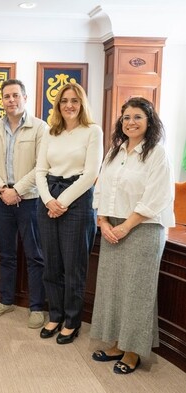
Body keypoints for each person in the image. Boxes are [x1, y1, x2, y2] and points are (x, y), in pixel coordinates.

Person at [89, 97, 174, 374]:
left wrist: (126, 226)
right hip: (112, 226)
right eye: (126, 117)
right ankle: (116, 343)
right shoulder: (115, 151)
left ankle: (133, 351)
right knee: (113, 288)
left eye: (137, 117)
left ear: (149, 122)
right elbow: (100, 188)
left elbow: (157, 195)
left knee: (137, 292)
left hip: (143, 228)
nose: (131, 122)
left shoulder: (157, 153)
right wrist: (102, 221)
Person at [35, 83, 103, 344]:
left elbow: (91, 174)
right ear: (58, 105)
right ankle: (55, 314)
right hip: (49, 198)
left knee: (73, 267)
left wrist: (61, 202)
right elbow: (40, 170)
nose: (69, 105)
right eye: (64, 101)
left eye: (74, 100)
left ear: (82, 103)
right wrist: (49, 200)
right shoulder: (51, 132)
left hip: (77, 200)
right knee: (51, 264)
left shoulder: (92, 131)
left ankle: (72, 321)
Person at [0, 79, 47, 328]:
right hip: (1, 199)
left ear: (25, 98)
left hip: (29, 200)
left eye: (16, 95)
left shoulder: (40, 128)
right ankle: (5, 300)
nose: (11, 100)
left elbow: (41, 166)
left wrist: (17, 189)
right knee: (6, 254)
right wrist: (2, 189)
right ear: (2, 100)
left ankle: (37, 307)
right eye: (7, 96)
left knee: (34, 255)